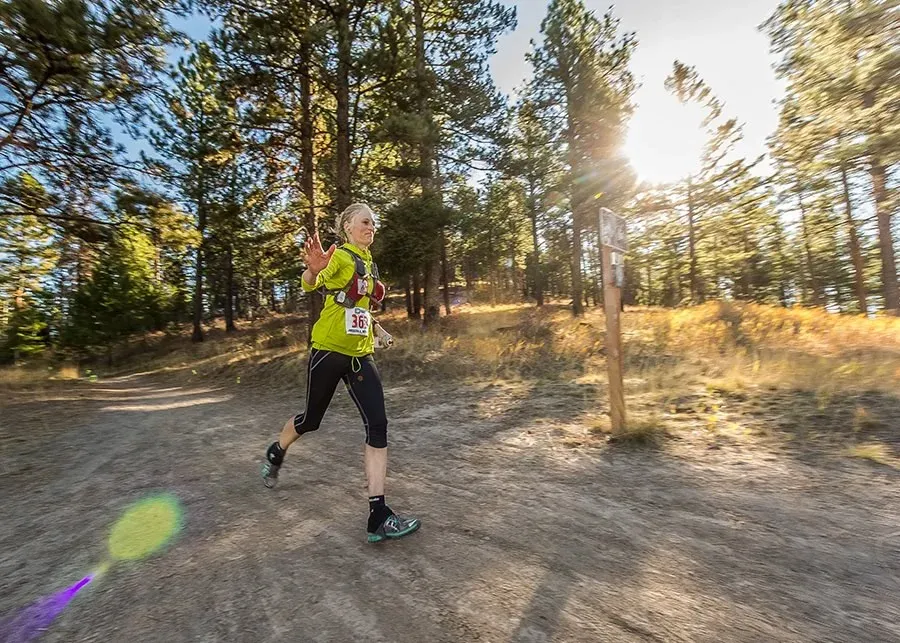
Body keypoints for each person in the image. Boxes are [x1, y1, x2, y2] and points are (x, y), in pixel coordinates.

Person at [261, 203, 420, 544]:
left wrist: (377, 328)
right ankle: (277, 450)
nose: (371, 227)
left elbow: (356, 304)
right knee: (311, 420)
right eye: (365, 221)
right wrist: (313, 269)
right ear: (347, 227)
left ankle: (379, 515)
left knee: (378, 425)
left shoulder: (368, 264)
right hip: (329, 351)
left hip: (361, 355)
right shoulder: (341, 256)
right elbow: (312, 280)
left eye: (374, 223)